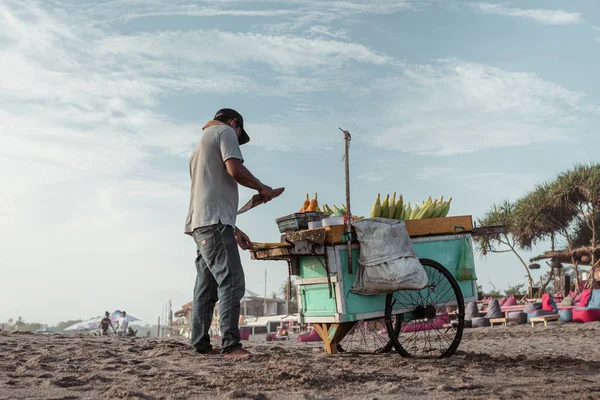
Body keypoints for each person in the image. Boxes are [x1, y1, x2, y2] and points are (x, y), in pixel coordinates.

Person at [184, 108, 275, 357]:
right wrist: (261, 187)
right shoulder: (224, 131)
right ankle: (231, 345)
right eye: (238, 133)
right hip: (214, 224)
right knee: (232, 281)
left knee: (206, 288)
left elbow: (210, 195)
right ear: (234, 123)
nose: (237, 137)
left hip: (201, 224)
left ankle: (200, 344)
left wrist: (233, 228)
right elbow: (234, 170)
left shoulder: (199, 146)